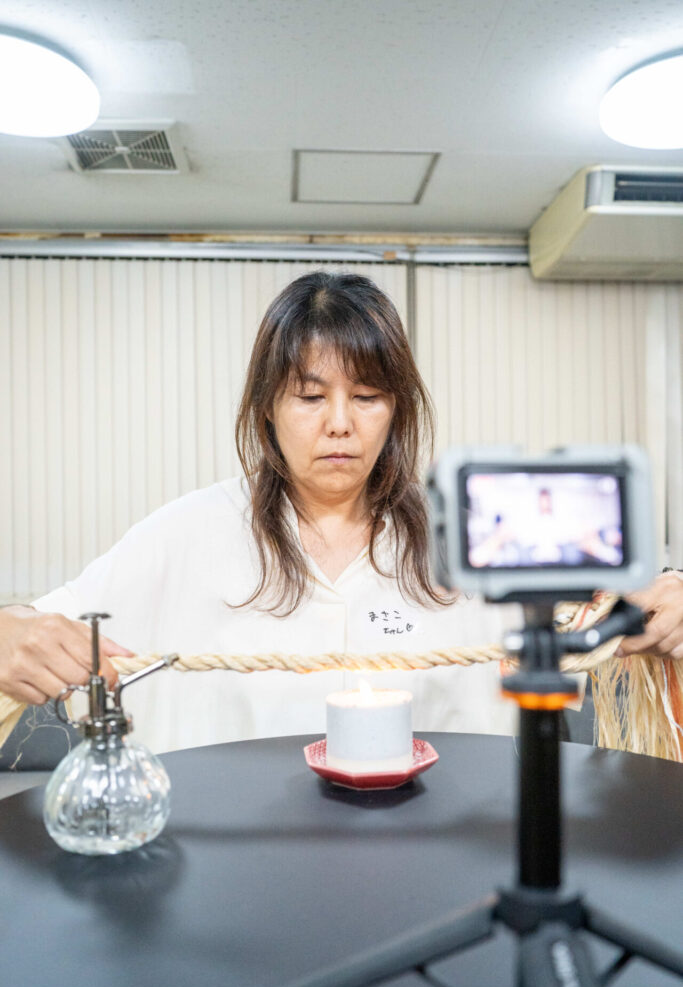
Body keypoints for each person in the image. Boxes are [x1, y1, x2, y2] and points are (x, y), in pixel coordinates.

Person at [0, 273, 681, 754]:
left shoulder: (469, 533)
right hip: (230, 871)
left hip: (443, 860)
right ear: (266, 407)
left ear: (396, 409)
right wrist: (12, 631)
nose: (338, 425)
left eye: (366, 395)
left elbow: (599, 616)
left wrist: (661, 603)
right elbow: (38, 628)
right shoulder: (184, 533)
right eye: (308, 396)